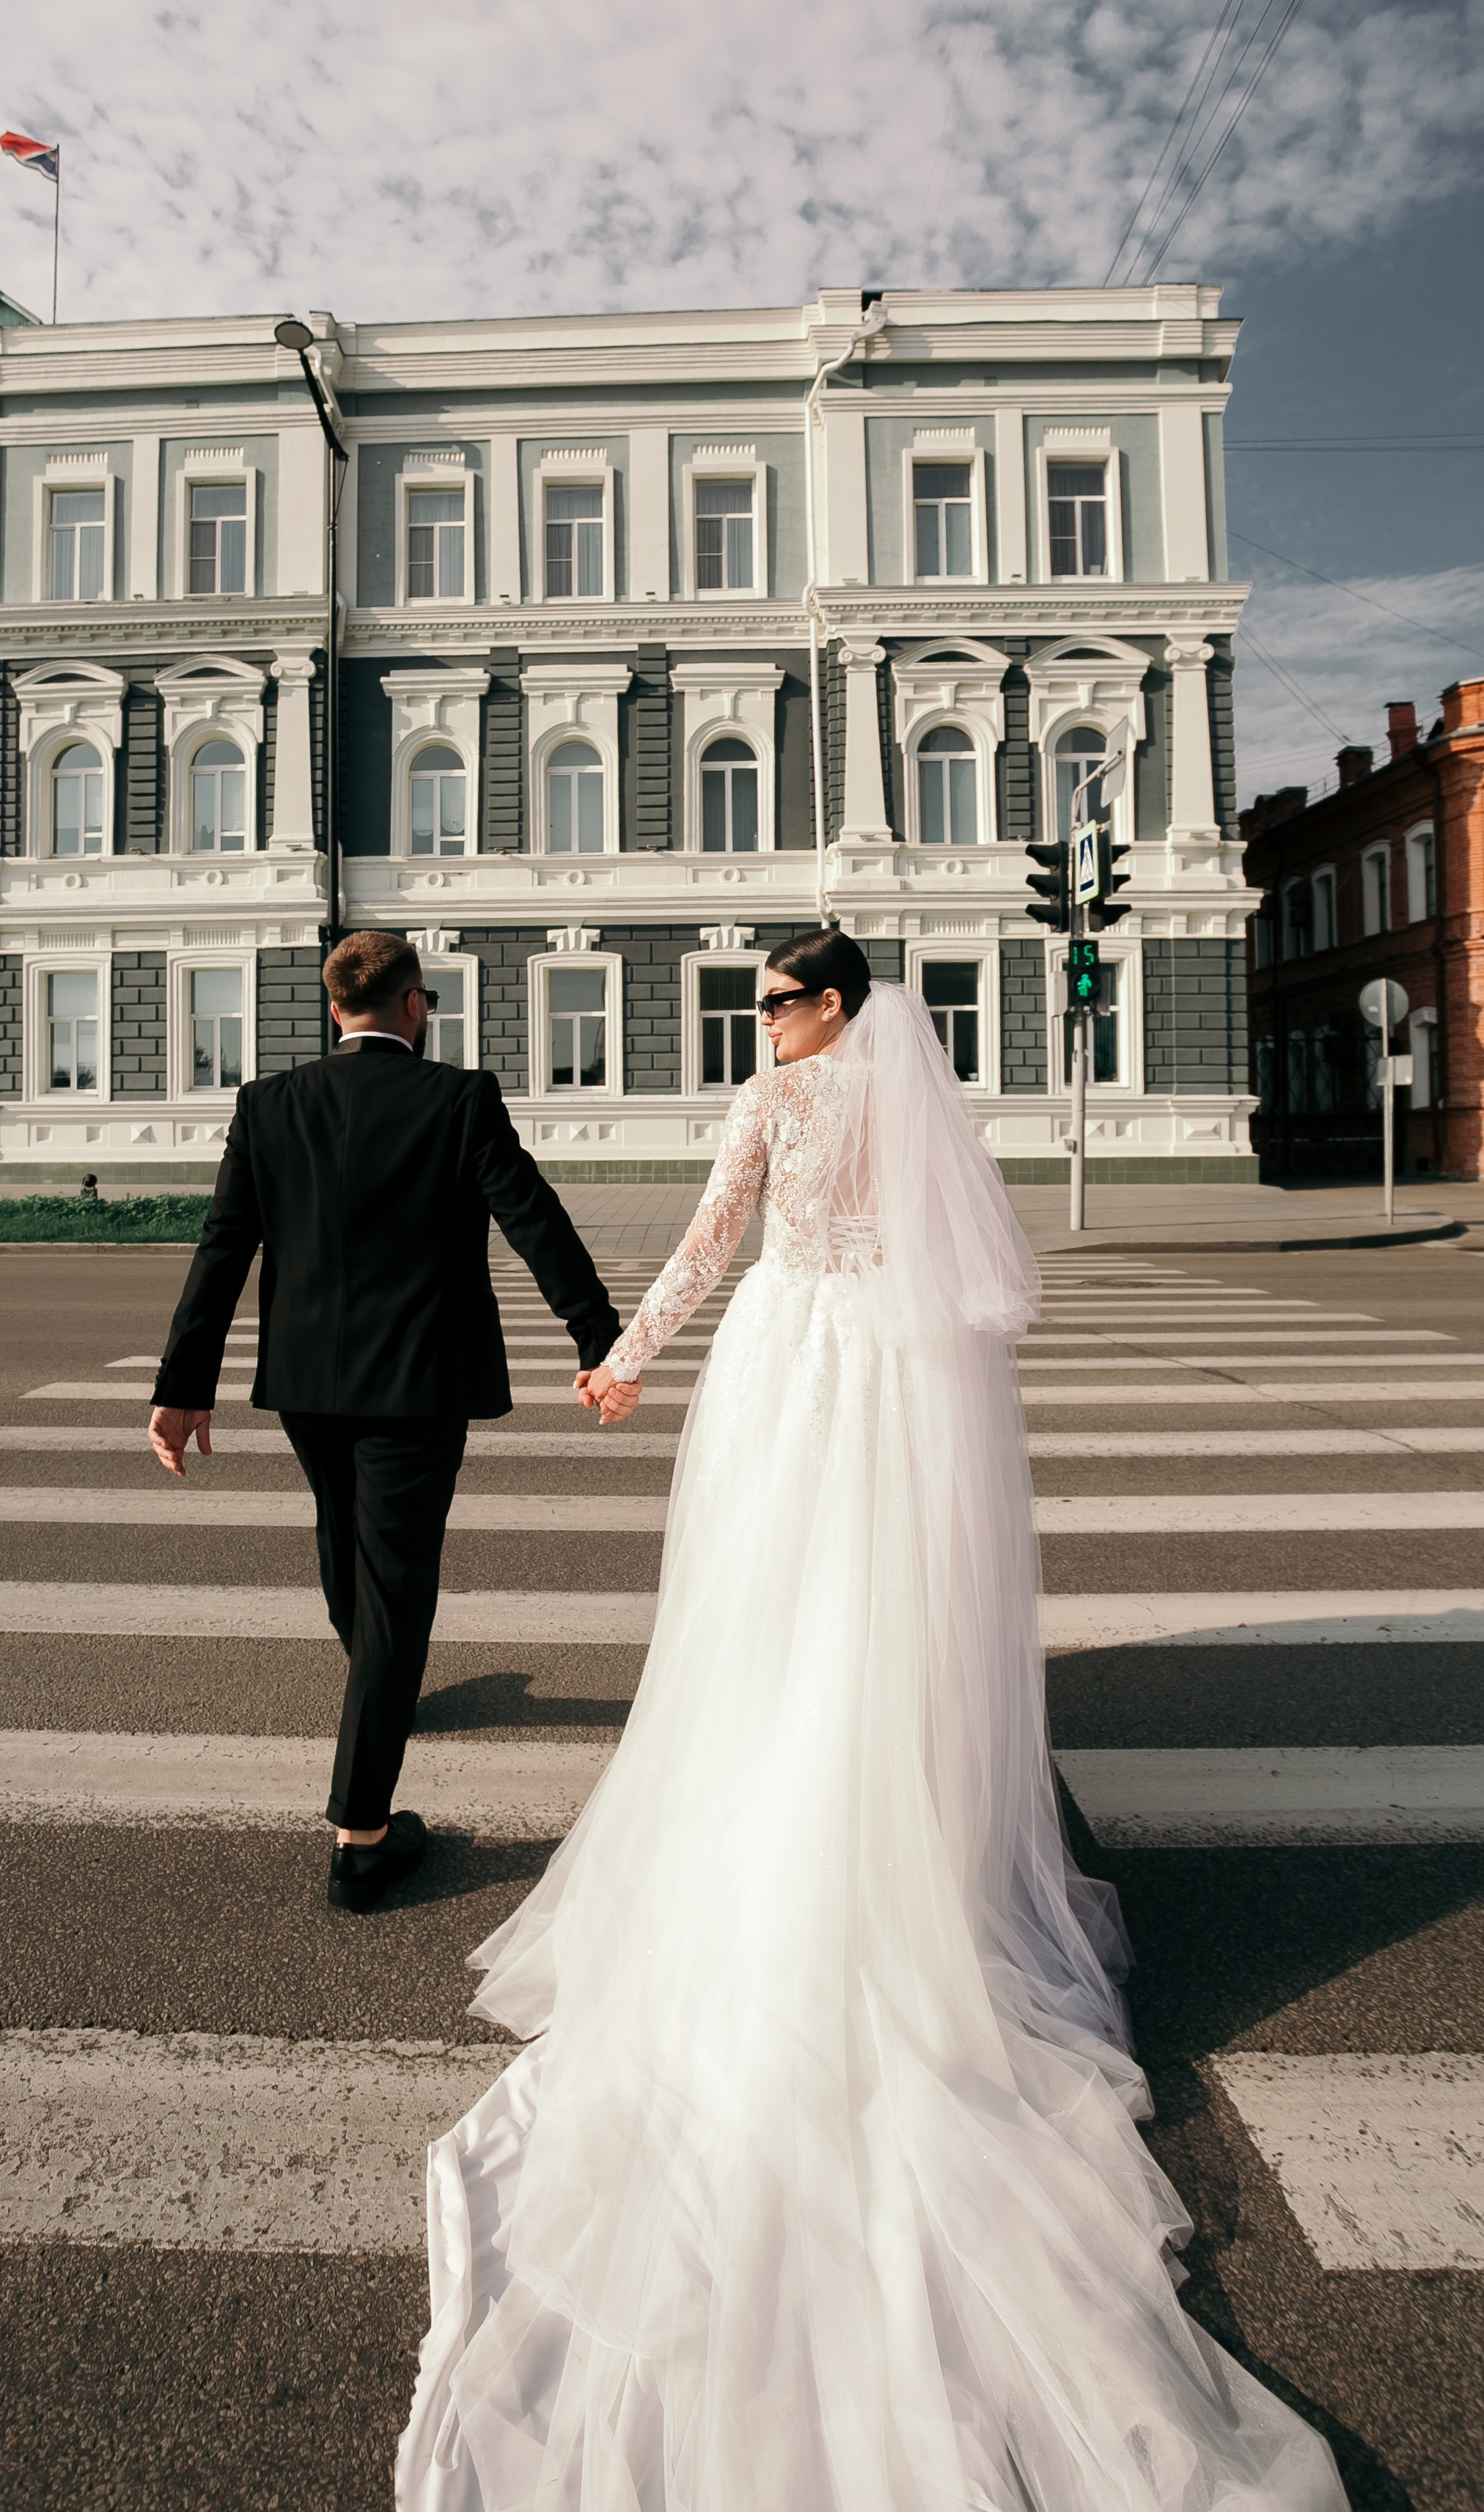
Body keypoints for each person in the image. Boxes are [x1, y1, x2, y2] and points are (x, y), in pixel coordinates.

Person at [396, 928, 1346, 2512]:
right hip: (891, 1386)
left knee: (765, 1623)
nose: (758, 1021)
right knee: (875, 1622)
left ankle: (803, 1843)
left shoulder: (778, 1102)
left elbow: (712, 1242)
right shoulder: (914, 1100)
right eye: (760, 1003)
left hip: (790, 1374)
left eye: (777, 1000)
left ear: (830, 1005)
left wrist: (623, 1358)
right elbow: (966, 1277)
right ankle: (900, 1840)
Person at [147, 929, 622, 1914]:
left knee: (346, 1542)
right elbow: (533, 1216)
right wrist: (595, 1334)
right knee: (395, 1582)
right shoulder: (458, 1099)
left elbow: (223, 1245)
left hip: (309, 1383)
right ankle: (363, 1836)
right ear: (417, 1005)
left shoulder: (268, 1103)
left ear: (334, 1010)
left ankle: (381, 1686)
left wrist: (182, 1382)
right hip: (417, 1381)